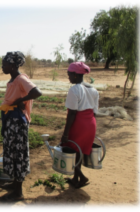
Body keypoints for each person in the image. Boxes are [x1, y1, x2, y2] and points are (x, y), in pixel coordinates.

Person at [0, 51, 42, 202]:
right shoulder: (13, 80)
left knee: (18, 154)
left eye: (4, 64)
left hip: (17, 123)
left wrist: (20, 101)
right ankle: (14, 184)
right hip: (11, 121)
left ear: (12, 65)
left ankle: (18, 192)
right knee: (12, 152)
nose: (2, 67)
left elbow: (37, 92)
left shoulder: (21, 79)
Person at [61, 61, 99, 189]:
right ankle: (75, 178)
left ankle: (81, 177)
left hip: (79, 124)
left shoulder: (75, 89)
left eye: (69, 74)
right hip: (90, 124)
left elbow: (72, 113)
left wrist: (65, 134)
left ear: (76, 75)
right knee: (79, 151)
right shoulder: (93, 90)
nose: (68, 77)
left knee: (71, 150)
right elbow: (95, 112)